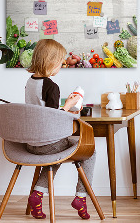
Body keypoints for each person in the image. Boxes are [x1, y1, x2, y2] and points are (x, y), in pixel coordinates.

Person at [25, 39, 95, 220]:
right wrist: (70, 105)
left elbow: (42, 111)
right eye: (60, 62)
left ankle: (37, 195)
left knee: (55, 154)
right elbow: (53, 117)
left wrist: (65, 106)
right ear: (50, 61)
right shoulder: (51, 86)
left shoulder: (30, 82)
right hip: (48, 143)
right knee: (90, 151)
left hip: (31, 143)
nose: (62, 65)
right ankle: (81, 197)